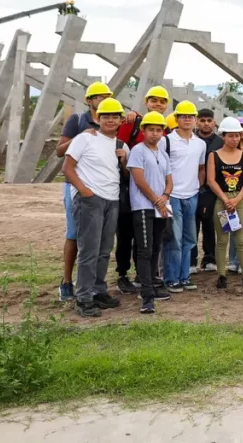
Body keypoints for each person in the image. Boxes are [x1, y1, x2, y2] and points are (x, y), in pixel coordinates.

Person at [62, 97, 129, 318]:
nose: (110, 120)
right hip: (90, 200)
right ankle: (83, 297)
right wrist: (84, 191)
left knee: (103, 250)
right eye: (106, 116)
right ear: (97, 118)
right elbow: (68, 168)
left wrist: (124, 162)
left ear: (121, 120)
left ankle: (99, 290)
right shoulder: (84, 139)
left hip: (112, 200)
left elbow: (127, 176)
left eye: (115, 116)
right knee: (89, 250)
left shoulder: (121, 146)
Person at [112, 85, 173, 296]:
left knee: (147, 241)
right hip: (131, 188)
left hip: (154, 195)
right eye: (153, 100)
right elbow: (118, 144)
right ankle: (123, 274)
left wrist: (164, 196)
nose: (158, 104)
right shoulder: (134, 123)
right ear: (146, 102)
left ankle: (143, 276)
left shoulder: (164, 133)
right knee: (126, 234)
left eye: (162, 101)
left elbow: (165, 169)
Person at [54, 81, 111, 302]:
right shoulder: (77, 120)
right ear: (89, 100)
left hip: (104, 189)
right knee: (75, 234)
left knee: (98, 239)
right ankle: (67, 282)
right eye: (99, 97)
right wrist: (82, 137)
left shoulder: (111, 121)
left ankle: (94, 285)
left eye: (107, 96)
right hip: (78, 188)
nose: (103, 100)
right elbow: (60, 152)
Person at [126, 111, 173, 313]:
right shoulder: (138, 151)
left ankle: (153, 285)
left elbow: (169, 179)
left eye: (158, 130)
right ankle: (146, 295)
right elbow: (139, 180)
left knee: (155, 248)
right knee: (144, 250)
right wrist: (157, 200)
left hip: (160, 207)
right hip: (143, 207)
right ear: (143, 130)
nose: (155, 134)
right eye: (151, 130)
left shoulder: (162, 153)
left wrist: (165, 196)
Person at [206, 117, 243, 290]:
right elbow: (211, 180)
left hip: (240, 201)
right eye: (231, 136)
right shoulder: (214, 156)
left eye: (237, 135)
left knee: (241, 239)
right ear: (224, 136)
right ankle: (222, 275)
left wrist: (236, 199)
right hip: (222, 200)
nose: (235, 139)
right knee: (222, 240)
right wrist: (226, 199)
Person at [161, 100, 205, 294]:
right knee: (174, 240)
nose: (187, 119)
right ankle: (171, 278)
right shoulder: (166, 141)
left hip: (192, 195)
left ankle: (184, 276)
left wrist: (197, 186)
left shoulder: (200, 144)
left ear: (195, 120)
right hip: (173, 196)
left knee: (190, 239)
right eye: (183, 116)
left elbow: (201, 168)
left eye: (190, 116)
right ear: (176, 118)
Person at [193, 108, 223, 273]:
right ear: (197, 122)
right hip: (191, 188)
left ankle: (209, 258)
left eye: (208, 120)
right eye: (202, 120)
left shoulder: (220, 141)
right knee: (192, 226)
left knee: (210, 225)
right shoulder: (190, 139)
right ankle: (191, 260)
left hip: (213, 189)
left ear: (213, 122)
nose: (205, 123)